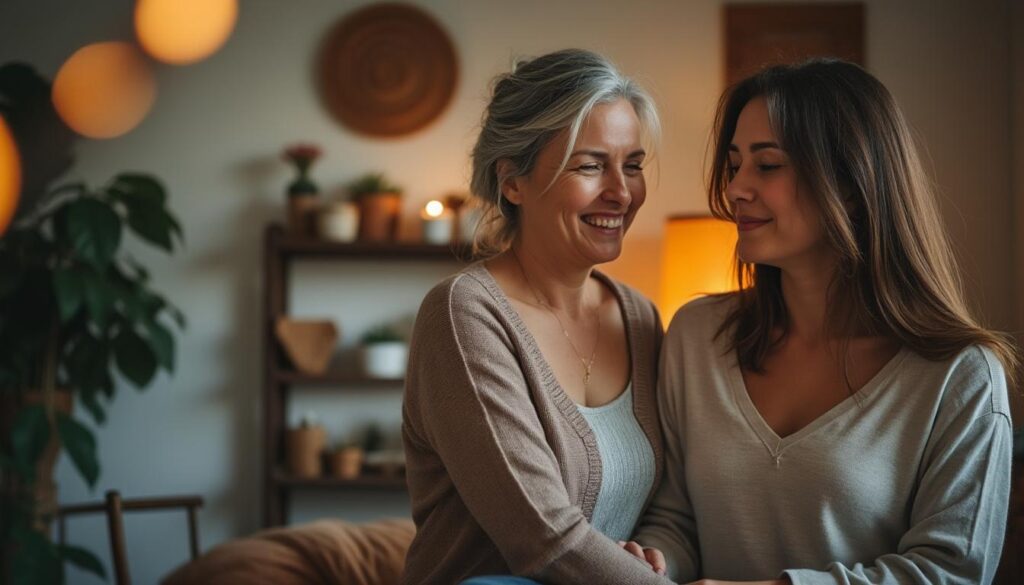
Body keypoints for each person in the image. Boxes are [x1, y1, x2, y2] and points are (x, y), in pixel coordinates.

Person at [623, 58, 1017, 585]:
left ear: (851, 183)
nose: (736, 188)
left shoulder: (960, 376)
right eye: (735, 164)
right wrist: (654, 559)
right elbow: (676, 518)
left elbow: (951, 572)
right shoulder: (696, 336)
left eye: (767, 165)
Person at [400, 49, 675, 585]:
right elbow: (545, 539)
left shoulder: (640, 317)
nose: (621, 192)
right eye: (591, 165)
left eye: (633, 165)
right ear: (513, 182)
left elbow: (665, 506)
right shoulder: (464, 315)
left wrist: (660, 556)